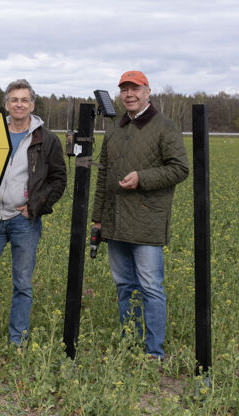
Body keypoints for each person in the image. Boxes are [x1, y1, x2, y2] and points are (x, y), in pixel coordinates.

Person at [91, 70, 189, 359]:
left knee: (150, 287)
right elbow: (104, 176)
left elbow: (180, 168)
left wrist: (142, 178)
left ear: (148, 92)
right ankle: (129, 342)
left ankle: (153, 352)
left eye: (135, 89)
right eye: (124, 90)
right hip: (115, 221)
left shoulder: (164, 127)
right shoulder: (115, 129)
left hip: (147, 221)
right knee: (124, 285)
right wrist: (98, 218)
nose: (129, 95)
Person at [0, 79, 67, 345]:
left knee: (22, 284)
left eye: (24, 100)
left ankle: (17, 340)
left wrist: (35, 207)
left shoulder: (46, 139)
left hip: (23, 221)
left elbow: (59, 179)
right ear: (6, 104)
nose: (19, 104)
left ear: (32, 104)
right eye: (14, 100)